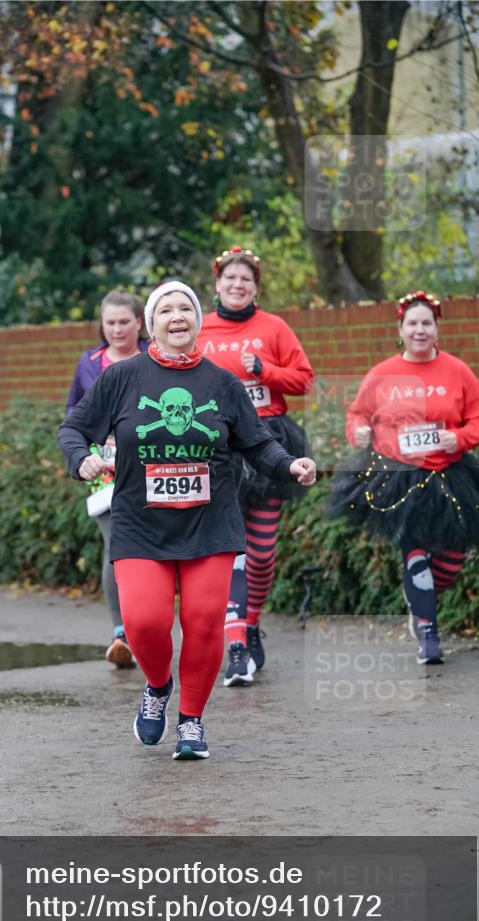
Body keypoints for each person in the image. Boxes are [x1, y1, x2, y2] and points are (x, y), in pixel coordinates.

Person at [58, 279, 316, 760]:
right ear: (151, 324)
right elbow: (73, 428)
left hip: (210, 524)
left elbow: (257, 442)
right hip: (140, 522)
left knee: (202, 624)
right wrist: (81, 459)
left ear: (197, 320)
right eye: (166, 310)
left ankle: (192, 720)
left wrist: (288, 465)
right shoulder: (123, 378)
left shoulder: (222, 383)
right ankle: (158, 685)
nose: (177, 316)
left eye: (185, 309)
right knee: (143, 623)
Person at [329, 289, 479, 664]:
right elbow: (357, 414)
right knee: (415, 552)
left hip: (449, 474)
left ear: (437, 329)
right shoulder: (382, 373)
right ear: (400, 329)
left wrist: (459, 437)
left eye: (427, 323)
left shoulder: (458, 371)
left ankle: (421, 599)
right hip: (399, 475)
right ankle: (428, 632)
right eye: (412, 324)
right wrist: (358, 432)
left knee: (451, 561)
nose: (420, 330)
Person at [197, 246, 314, 686]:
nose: (237, 284)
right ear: (217, 284)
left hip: (267, 442)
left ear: (256, 287)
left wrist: (265, 370)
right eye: (230, 278)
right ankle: (236, 646)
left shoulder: (274, 327)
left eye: (245, 279)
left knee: (261, 554)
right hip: (217, 448)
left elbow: (303, 380)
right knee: (232, 551)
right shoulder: (200, 329)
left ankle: (250, 621)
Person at [66, 289, 148, 668]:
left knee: (152, 549)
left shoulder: (154, 356)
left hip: (152, 467)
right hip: (106, 469)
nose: (117, 329)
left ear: (139, 323)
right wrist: (82, 456)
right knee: (116, 545)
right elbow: (73, 416)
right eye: (110, 322)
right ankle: (122, 634)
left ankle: (148, 625)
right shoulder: (89, 363)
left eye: (124, 322)